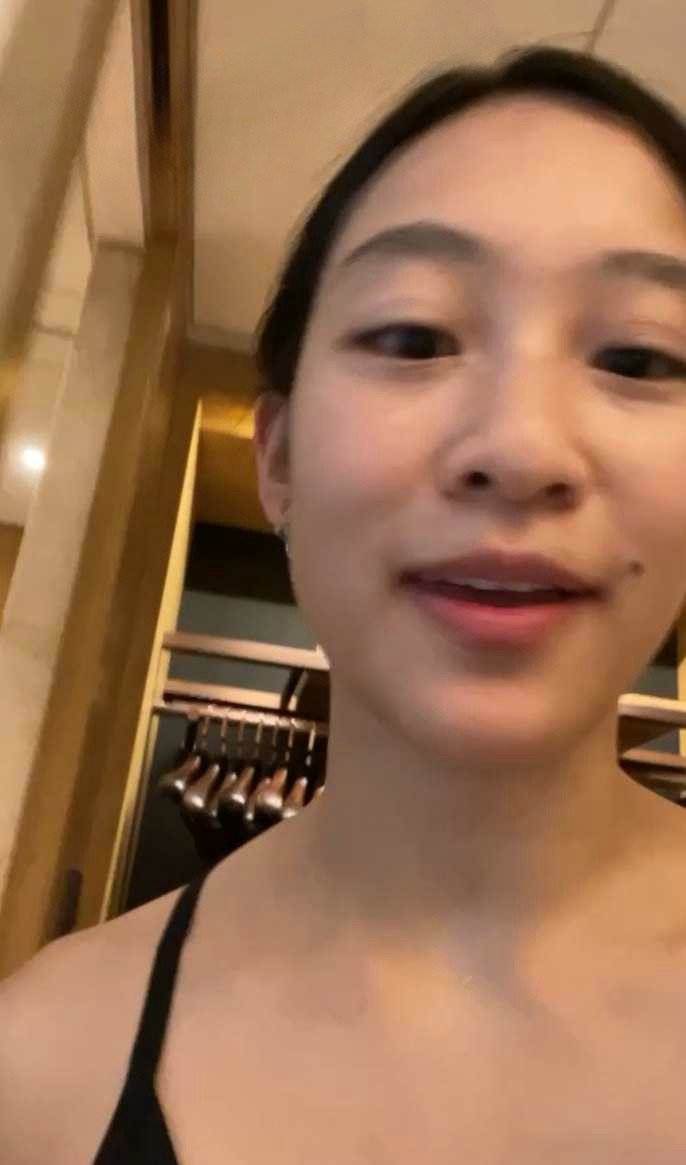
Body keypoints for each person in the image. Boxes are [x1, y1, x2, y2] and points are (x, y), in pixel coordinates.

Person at [4, 42, 686, 1164]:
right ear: (277, 457)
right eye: (412, 336)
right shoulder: (37, 1072)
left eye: (639, 357)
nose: (520, 447)